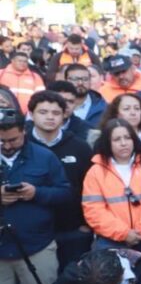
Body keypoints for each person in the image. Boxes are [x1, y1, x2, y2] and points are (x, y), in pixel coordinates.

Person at [0, 111, 73, 284]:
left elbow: (65, 192)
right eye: (2, 141)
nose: (7, 145)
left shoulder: (44, 157)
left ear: (24, 132)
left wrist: (37, 193)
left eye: (13, 139)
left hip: (37, 245)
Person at [82, 118, 141, 265]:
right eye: (117, 139)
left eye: (127, 138)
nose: (123, 143)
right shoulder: (95, 172)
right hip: (110, 241)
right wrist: (124, 233)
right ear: (107, 143)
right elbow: (93, 210)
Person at [26, 91, 94, 271]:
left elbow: (91, 187)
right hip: (32, 232)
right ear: (31, 114)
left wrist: (86, 224)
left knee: (75, 280)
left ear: (64, 115)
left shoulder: (80, 147)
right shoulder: (22, 145)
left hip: (73, 230)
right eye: (43, 112)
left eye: (56, 113)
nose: (50, 117)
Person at [65, 63, 106, 129]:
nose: (80, 83)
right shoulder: (57, 106)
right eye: (75, 79)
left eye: (85, 79)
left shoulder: (103, 108)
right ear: (66, 80)